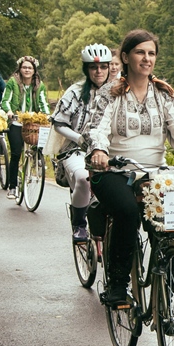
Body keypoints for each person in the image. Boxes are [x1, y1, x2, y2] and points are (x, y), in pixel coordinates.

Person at [87, 30, 174, 305]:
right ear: (125, 57)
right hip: (113, 170)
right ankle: (118, 285)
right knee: (127, 213)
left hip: (155, 173)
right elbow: (96, 127)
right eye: (140, 52)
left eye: (151, 53)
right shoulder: (109, 94)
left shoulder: (163, 94)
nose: (146, 58)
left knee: (169, 228)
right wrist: (99, 150)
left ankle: (165, 303)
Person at [51, 44, 111, 240]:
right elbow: (59, 123)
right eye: (94, 68)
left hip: (109, 149)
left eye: (103, 67)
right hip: (76, 149)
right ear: (86, 69)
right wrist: (78, 138)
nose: (99, 72)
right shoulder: (75, 92)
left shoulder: (117, 91)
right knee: (84, 178)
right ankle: (79, 224)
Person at [0, 55, 49, 200]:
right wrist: (9, 112)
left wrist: (46, 115)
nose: (27, 70)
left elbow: (43, 103)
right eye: (24, 67)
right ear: (20, 69)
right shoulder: (12, 82)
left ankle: (38, 158)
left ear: (34, 71)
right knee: (15, 153)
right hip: (16, 121)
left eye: (30, 68)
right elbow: (5, 100)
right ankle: (13, 187)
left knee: (38, 141)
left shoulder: (39, 85)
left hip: (32, 122)